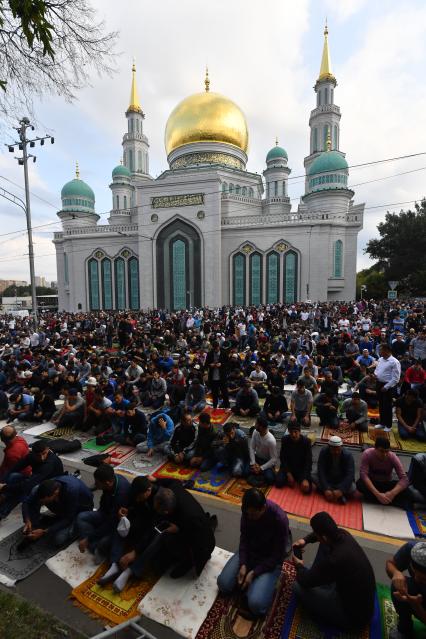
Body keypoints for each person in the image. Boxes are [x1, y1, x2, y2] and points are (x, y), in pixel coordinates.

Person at [113, 479, 216, 590]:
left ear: (167, 512)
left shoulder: (191, 518)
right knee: (157, 562)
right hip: (182, 526)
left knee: (161, 537)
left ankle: (187, 562)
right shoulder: (171, 488)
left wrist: (179, 530)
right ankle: (134, 569)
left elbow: (201, 542)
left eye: (160, 512)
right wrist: (155, 480)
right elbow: (173, 481)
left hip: (198, 543)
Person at [292, 511, 376, 632]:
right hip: (362, 602)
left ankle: (318, 579)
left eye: (316, 533)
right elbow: (320, 537)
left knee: (297, 586)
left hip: (352, 618)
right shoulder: (343, 534)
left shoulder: (335, 560)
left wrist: (299, 565)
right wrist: (305, 540)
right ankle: (318, 577)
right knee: (324, 546)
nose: (315, 535)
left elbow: (304, 581)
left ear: (324, 536)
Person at [217, 488, 290, 618]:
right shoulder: (247, 512)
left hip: (269, 560)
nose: (250, 517)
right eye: (247, 514)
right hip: (251, 552)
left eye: (253, 515)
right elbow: (244, 538)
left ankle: (254, 586)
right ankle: (250, 585)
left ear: (263, 508)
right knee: (223, 584)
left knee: (256, 604)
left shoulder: (279, 519)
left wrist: (254, 572)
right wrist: (244, 564)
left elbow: (277, 556)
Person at [76, 464, 130, 558]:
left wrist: (88, 539)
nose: (95, 485)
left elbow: (112, 522)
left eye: (97, 483)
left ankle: (92, 543)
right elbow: (103, 506)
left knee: (103, 542)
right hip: (106, 514)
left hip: (116, 524)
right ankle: (93, 543)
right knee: (81, 517)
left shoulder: (122, 494)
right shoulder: (110, 482)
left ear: (108, 482)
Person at [22, 476, 94, 547]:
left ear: (55, 493)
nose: (43, 504)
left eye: (45, 501)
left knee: (58, 539)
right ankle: (34, 524)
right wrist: (27, 520)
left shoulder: (71, 491)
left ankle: (77, 528)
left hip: (79, 511)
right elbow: (26, 502)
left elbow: (69, 518)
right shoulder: (45, 487)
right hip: (64, 506)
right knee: (35, 498)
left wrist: (45, 532)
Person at [0, 440, 64, 519]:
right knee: (14, 476)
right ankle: (4, 496)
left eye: (44, 454)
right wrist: (2, 482)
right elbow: (15, 467)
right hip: (35, 479)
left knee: (22, 492)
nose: (42, 458)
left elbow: (27, 485)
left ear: (48, 449)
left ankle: (2, 512)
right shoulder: (32, 456)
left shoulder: (49, 463)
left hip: (49, 486)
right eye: (38, 455)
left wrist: (4, 487)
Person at [386, 541, 426, 639]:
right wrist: (396, 572)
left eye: (423, 578)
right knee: (398, 584)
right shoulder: (411, 549)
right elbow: (390, 563)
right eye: (414, 572)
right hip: (419, 596)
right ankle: (405, 628)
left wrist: (415, 605)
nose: (416, 578)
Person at [356, 436, 409, 508]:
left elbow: (404, 479)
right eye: (381, 451)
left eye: (387, 451)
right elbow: (363, 475)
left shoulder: (392, 457)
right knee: (360, 484)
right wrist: (377, 494)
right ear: (375, 448)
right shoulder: (367, 454)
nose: (384, 454)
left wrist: (391, 493)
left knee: (407, 489)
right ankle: (387, 500)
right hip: (373, 483)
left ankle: (381, 499)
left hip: (386, 484)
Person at [314, 436, 355, 504]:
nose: (336, 452)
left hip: (340, 479)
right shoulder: (324, 451)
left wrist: (341, 489)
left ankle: (332, 492)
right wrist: (326, 488)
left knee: (353, 487)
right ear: (329, 447)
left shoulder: (348, 455)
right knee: (313, 475)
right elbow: (321, 470)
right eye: (333, 450)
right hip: (328, 477)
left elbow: (350, 475)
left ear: (341, 447)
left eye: (338, 450)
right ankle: (333, 493)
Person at [276, 422, 312, 492]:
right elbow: (283, 458)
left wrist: (305, 478)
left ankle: (298, 480)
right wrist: (288, 474)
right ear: (288, 432)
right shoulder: (285, 440)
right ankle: (292, 480)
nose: (293, 435)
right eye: (291, 432)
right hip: (288, 468)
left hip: (301, 469)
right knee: (278, 482)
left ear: (300, 431)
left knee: (307, 489)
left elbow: (308, 462)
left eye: (295, 432)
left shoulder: (306, 442)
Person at [374, 343, 401, 431]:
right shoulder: (381, 359)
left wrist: (386, 387)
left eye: (381, 350)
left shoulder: (394, 362)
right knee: (381, 404)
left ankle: (388, 425)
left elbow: (396, 378)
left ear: (387, 350)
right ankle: (382, 423)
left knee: (387, 406)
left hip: (388, 386)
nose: (380, 352)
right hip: (379, 384)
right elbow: (377, 370)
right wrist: (375, 375)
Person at [248, 415, 278, 486]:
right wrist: (253, 463)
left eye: (256, 424)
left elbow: (274, 459)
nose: (254, 425)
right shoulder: (255, 432)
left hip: (266, 462)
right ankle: (258, 475)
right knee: (244, 471)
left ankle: (258, 474)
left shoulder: (271, 440)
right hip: (257, 459)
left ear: (261, 427)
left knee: (270, 478)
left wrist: (261, 468)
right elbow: (252, 447)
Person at [205, 341, 230, 409]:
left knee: (224, 392)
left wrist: (221, 364)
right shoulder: (210, 354)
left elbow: (228, 364)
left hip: (222, 376)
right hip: (213, 376)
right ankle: (215, 406)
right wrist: (211, 365)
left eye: (217, 348)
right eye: (214, 349)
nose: (215, 350)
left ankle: (227, 406)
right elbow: (206, 364)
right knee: (214, 393)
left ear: (219, 347)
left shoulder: (224, 353)